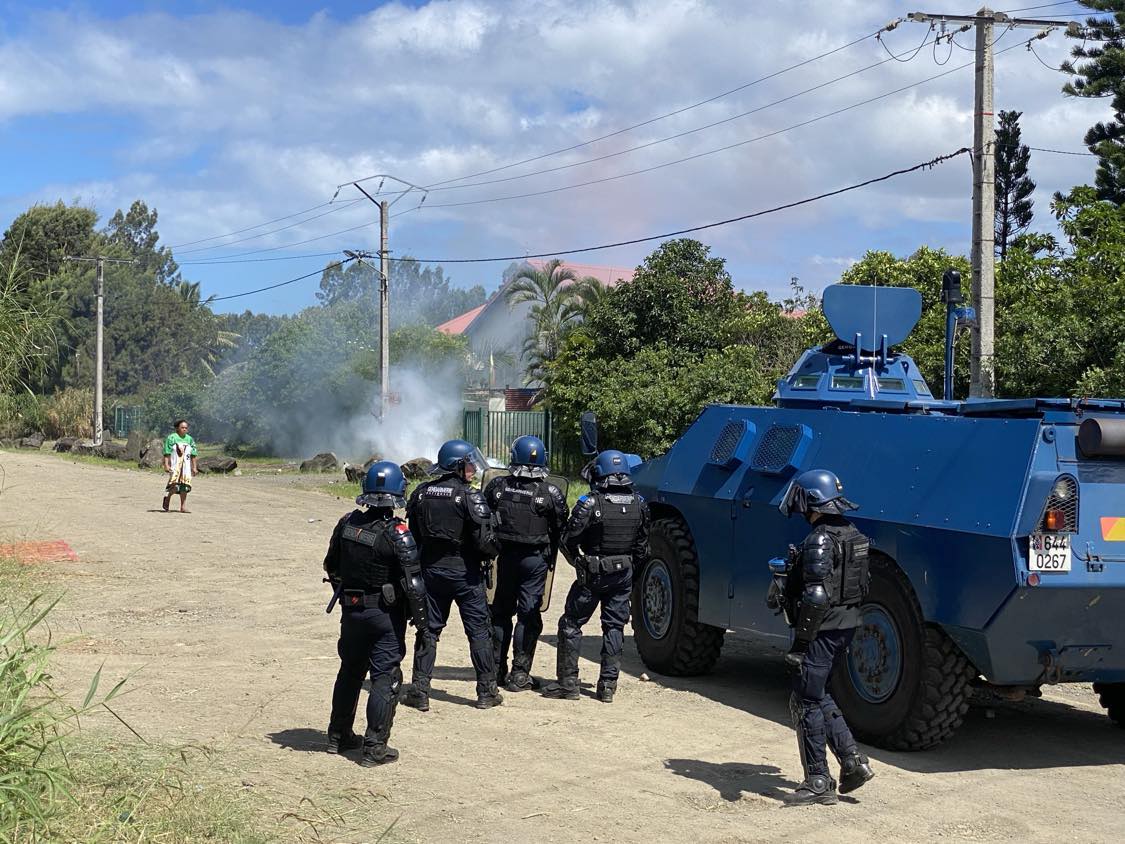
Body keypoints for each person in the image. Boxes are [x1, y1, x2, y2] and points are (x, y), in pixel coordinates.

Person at [771, 468, 875, 806]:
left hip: (823, 628)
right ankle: (853, 761)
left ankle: (818, 779)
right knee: (818, 693)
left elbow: (817, 596)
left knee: (805, 699)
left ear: (813, 500)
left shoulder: (821, 538)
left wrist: (801, 645)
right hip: (845, 624)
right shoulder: (854, 534)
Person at [323, 461, 429, 766]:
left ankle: (337, 736)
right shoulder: (398, 533)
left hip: (351, 611)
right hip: (384, 615)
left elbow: (331, 566)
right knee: (386, 678)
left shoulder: (347, 523)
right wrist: (423, 625)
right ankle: (374, 748)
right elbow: (415, 585)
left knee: (350, 672)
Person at [402, 439, 504, 711]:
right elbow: (485, 543)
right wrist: (494, 549)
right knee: (479, 632)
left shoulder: (421, 494)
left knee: (428, 630)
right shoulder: (470, 497)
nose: (472, 468)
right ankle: (486, 692)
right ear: (457, 465)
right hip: (466, 575)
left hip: (432, 574)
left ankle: (420, 691)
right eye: (468, 463)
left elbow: (414, 537)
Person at [543, 449, 649, 704]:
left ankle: (568, 684)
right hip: (623, 574)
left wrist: (579, 563)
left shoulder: (590, 502)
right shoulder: (640, 503)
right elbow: (643, 548)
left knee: (571, 624)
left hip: (593, 573)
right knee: (614, 627)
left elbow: (568, 540)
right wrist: (629, 571)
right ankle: (608, 686)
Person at [484, 435, 568, 692]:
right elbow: (561, 527)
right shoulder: (550, 492)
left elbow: (485, 518)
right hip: (534, 561)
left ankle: (496, 671)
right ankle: (520, 675)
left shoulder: (498, 486)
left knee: (500, 614)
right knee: (528, 617)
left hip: (505, 558)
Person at [161, 419, 198, 513]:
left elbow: (193, 454)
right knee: (174, 486)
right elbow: (167, 453)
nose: (184, 429)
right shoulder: (171, 438)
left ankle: (183, 506)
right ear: (177, 428)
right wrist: (166, 465)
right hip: (175, 466)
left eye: (186, 428)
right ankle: (168, 498)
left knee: (184, 486)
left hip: (186, 468)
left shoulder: (189, 439)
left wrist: (194, 467)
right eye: (182, 427)